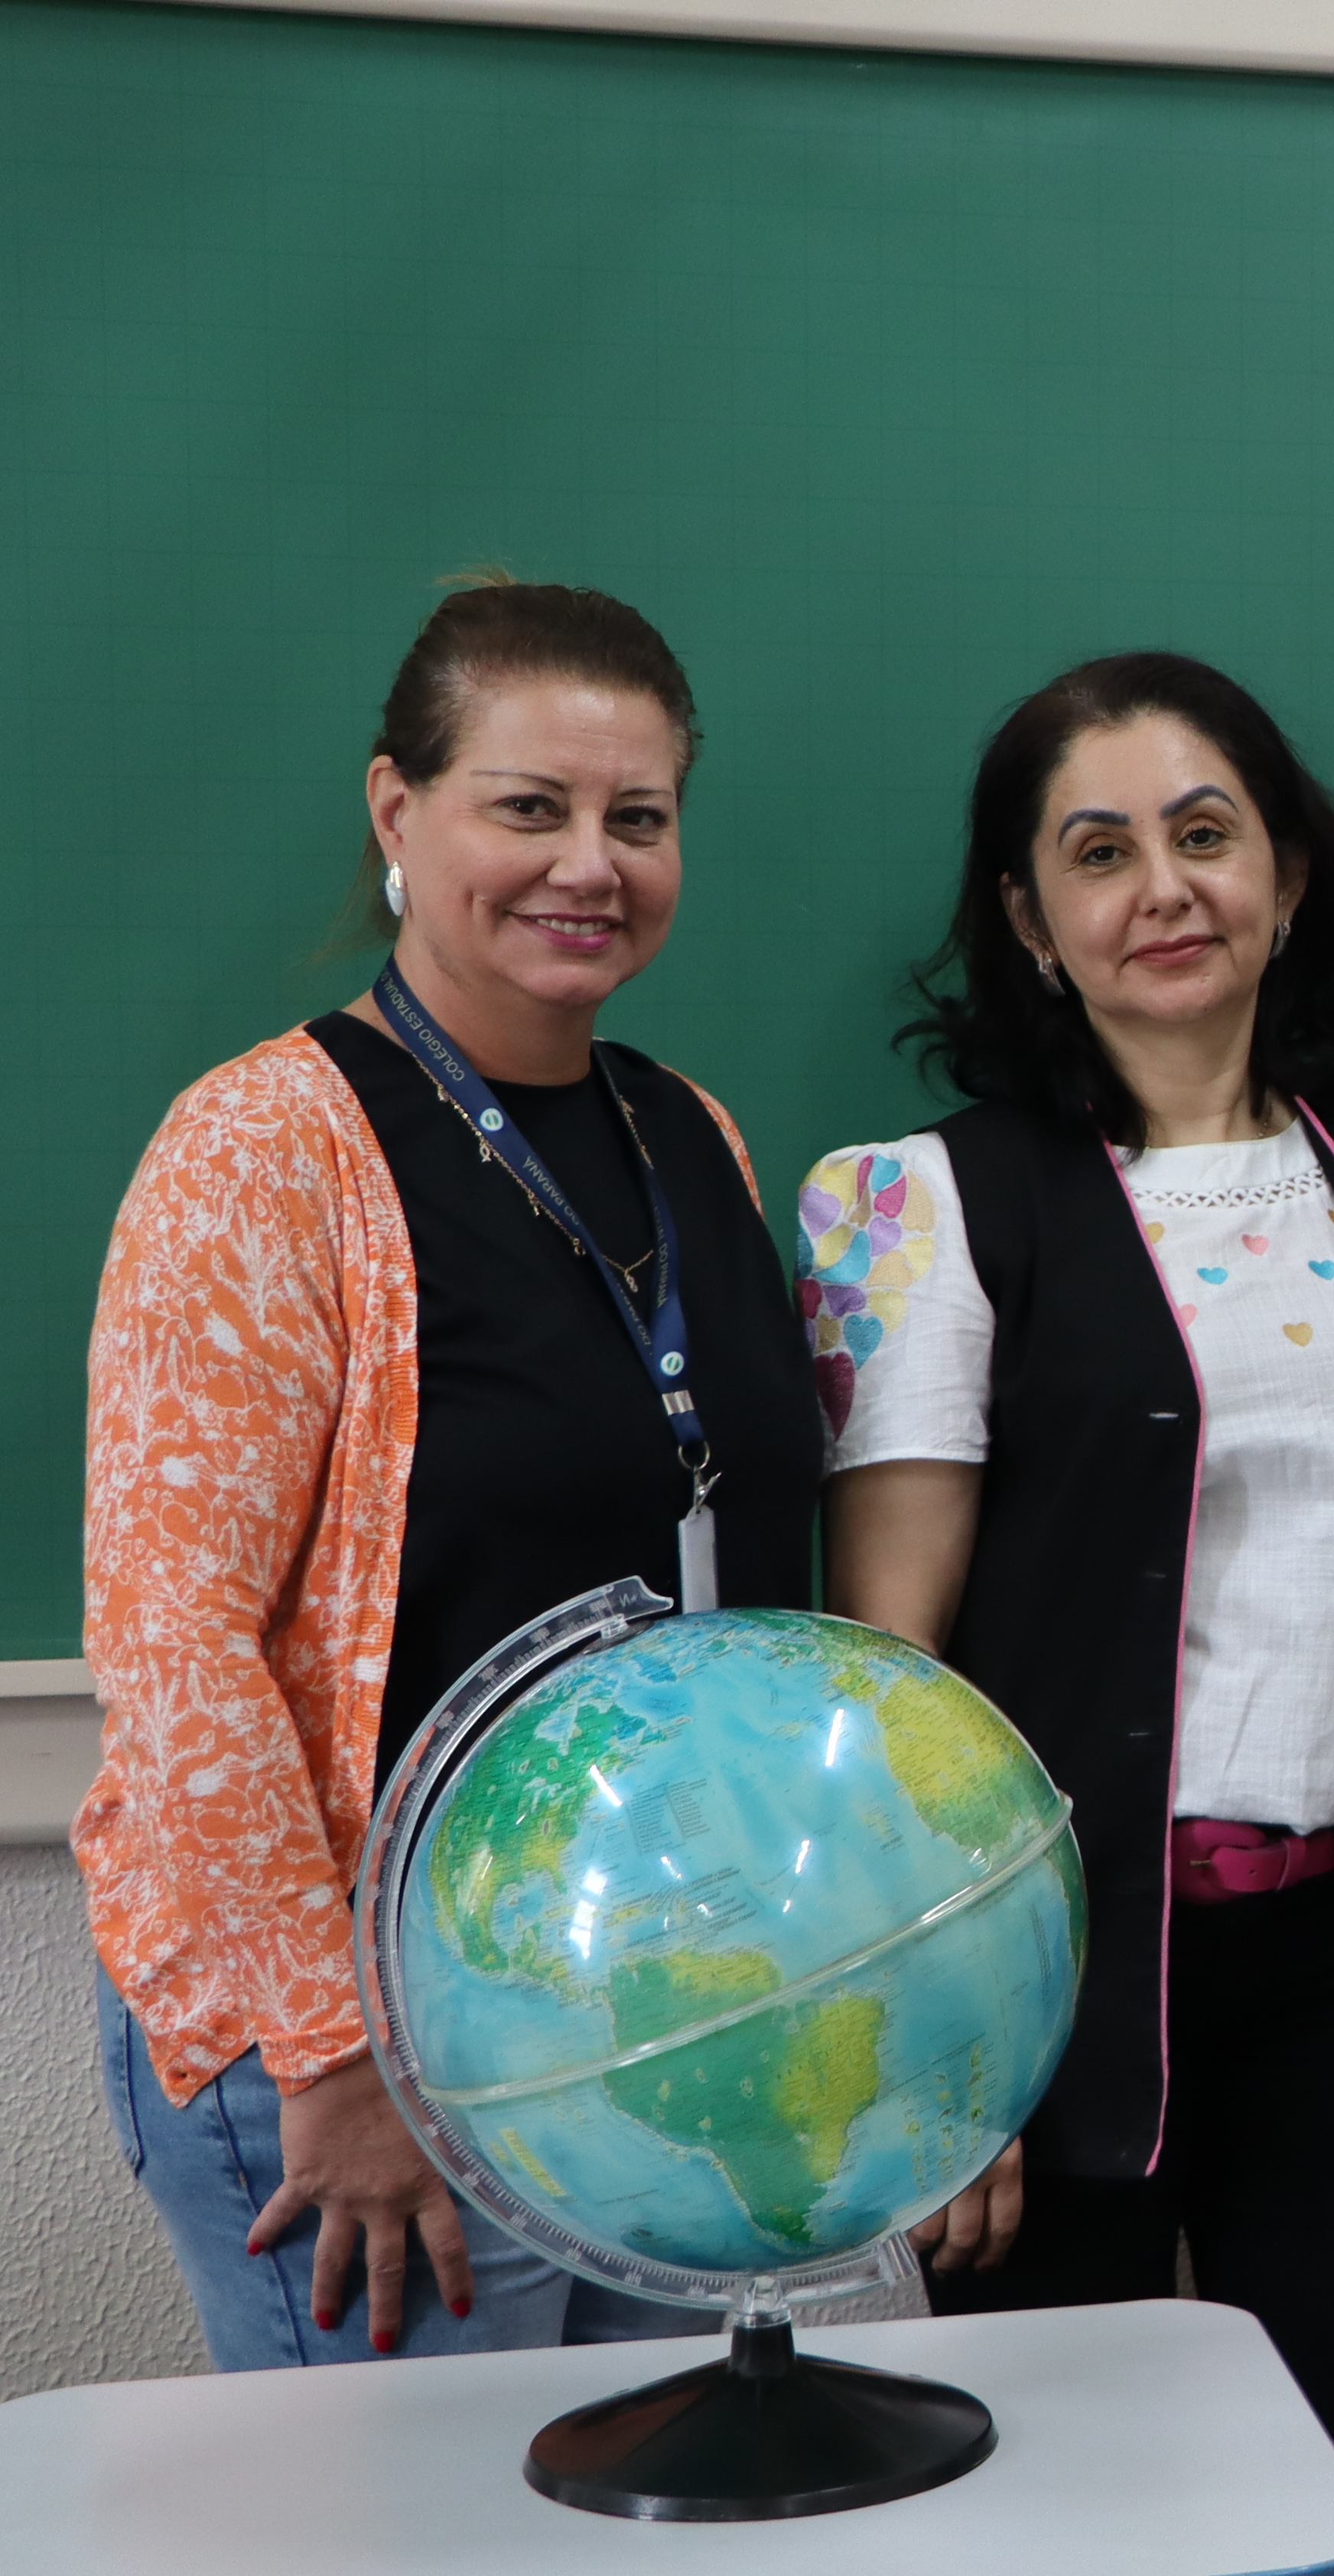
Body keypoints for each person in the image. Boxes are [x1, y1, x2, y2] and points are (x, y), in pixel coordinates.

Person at [794, 652, 1334, 2574]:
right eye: (1097, 853)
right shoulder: (913, 1209)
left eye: (1206, 833)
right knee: (1071, 2513)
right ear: (1030, 923)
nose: (1163, 889)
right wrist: (949, 2062)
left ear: (1285, 869)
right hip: (1053, 1973)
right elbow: (890, 1674)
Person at [80, 579, 815, 2368]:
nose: (591, 863)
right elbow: (179, 1647)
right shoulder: (263, 1150)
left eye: (639, 818)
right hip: (363, 2042)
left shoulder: (688, 1133)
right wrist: (334, 2063)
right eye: (529, 805)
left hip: (632, 2009)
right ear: (398, 813)